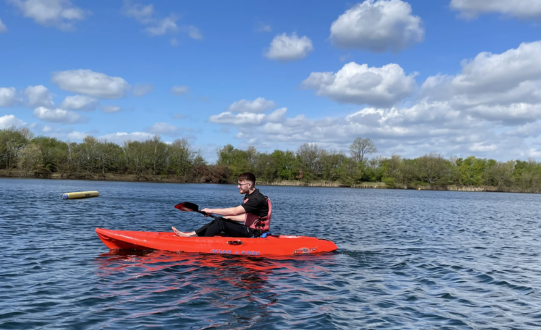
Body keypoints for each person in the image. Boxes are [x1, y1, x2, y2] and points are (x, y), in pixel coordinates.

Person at [172, 172, 271, 237]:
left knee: (221, 222)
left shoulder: (256, 199)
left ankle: (193, 238)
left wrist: (212, 210)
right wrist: (227, 218)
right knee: (222, 220)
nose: (238, 187)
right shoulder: (252, 196)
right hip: (252, 230)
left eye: (240, 184)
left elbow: (235, 211)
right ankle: (192, 234)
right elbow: (247, 218)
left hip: (255, 233)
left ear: (249, 185)